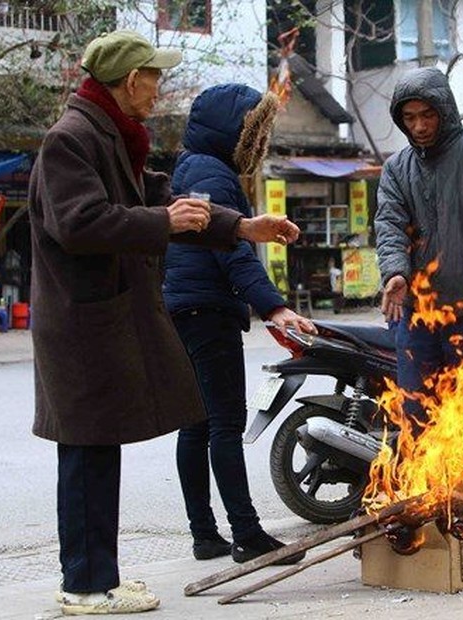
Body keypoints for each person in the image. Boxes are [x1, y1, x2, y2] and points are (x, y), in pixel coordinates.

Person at [28, 31, 299, 615]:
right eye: (154, 78)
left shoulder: (112, 136)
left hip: (102, 322)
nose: (159, 89)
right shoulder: (70, 140)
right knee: (84, 454)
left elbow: (164, 195)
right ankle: (82, 585)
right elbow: (81, 222)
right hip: (78, 326)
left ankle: (101, 575)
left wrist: (238, 227)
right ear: (130, 81)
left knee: (100, 452)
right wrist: (164, 222)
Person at [162, 83, 315, 565]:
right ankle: (247, 534)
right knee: (224, 424)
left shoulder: (191, 167)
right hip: (206, 310)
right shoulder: (212, 173)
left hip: (183, 307)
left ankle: (205, 535)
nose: (261, 140)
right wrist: (275, 307)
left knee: (196, 424)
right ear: (237, 131)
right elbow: (231, 251)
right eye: (257, 129)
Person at [374, 67, 463, 422]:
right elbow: (389, 226)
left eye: (427, 115)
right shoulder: (396, 169)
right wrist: (395, 271)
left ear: (445, 111)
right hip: (416, 318)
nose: (420, 126)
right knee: (416, 418)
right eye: (409, 118)